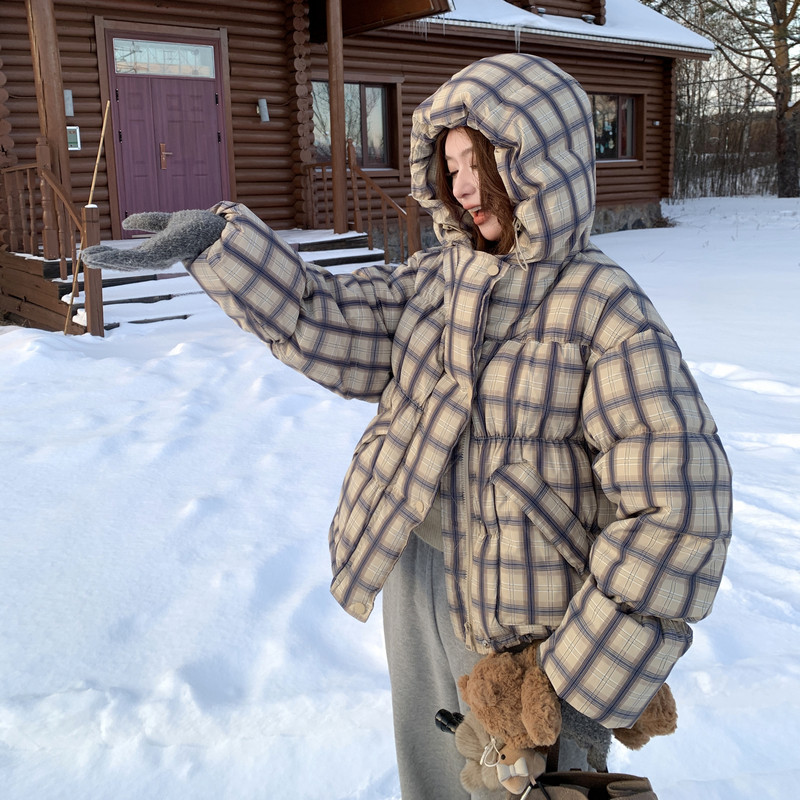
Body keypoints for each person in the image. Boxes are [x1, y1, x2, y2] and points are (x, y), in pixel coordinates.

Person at [83, 53, 732, 800]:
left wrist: (583, 681)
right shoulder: (435, 282)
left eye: (480, 161)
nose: (460, 185)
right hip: (420, 577)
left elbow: (681, 509)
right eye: (449, 165)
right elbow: (319, 316)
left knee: (519, 788)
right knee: (432, 780)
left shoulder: (604, 309)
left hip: (534, 635)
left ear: (539, 164)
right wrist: (219, 246)